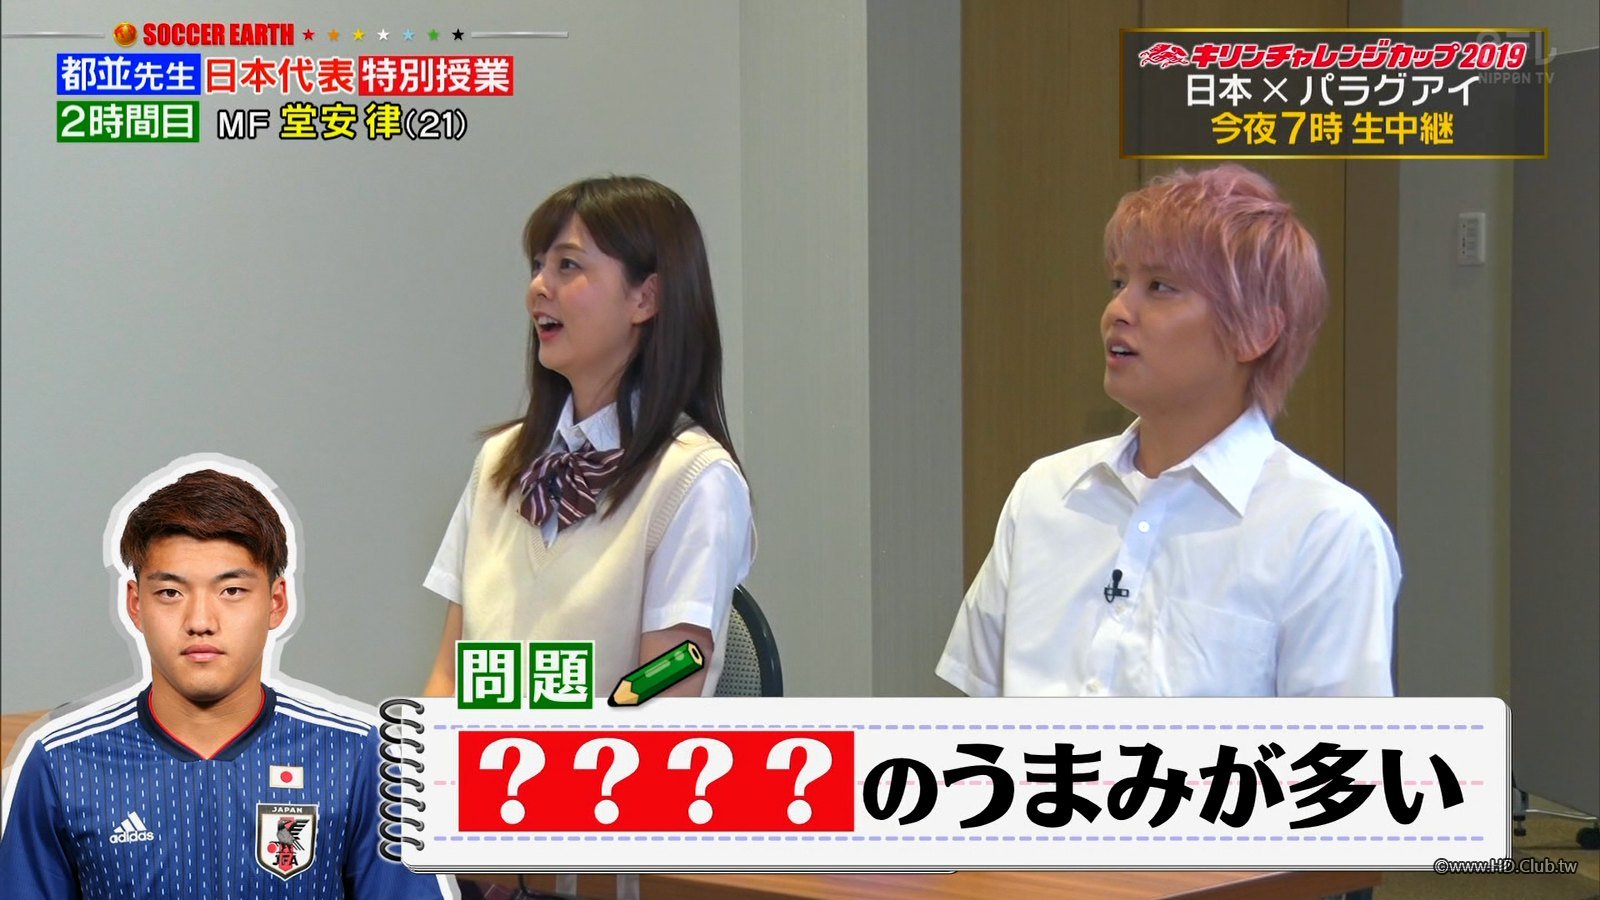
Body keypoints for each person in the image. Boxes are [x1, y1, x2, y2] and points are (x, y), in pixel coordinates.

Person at [937, 164, 1400, 698]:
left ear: (1256, 330)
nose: (1117, 310)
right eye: (1119, 282)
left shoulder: (1326, 531)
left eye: (1160, 287)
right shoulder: (1046, 493)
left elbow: (1336, 747)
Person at [0, 467, 456, 898]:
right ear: (135, 604)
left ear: (276, 602)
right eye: (170, 592)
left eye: (231, 591)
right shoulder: (61, 764)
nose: (200, 620)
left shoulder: (359, 756)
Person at [422, 175, 754, 702]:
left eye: (568, 265)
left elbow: (663, 697)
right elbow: (447, 680)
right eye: (537, 266)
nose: (538, 288)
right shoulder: (498, 462)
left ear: (646, 297)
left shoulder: (696, 479)